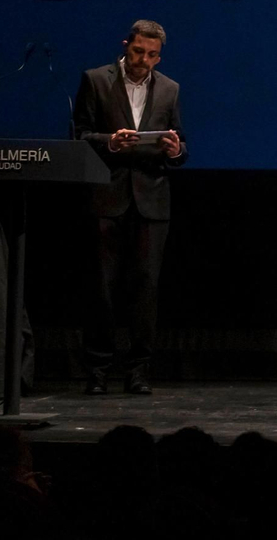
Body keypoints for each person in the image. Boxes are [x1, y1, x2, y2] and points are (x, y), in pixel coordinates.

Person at [73, 20, 187, 396]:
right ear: (126, 45)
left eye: (152, 55)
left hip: (151, 200)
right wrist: (110, 141)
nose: (144, 60)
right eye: (138, 51)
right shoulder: (96, 80)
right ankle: (97, 369)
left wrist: (176, 150)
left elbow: (181, 143)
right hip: (106, 196)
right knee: (101, 288)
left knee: (145, 289)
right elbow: (78, 135)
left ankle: (139, 371)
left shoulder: (169, 88)